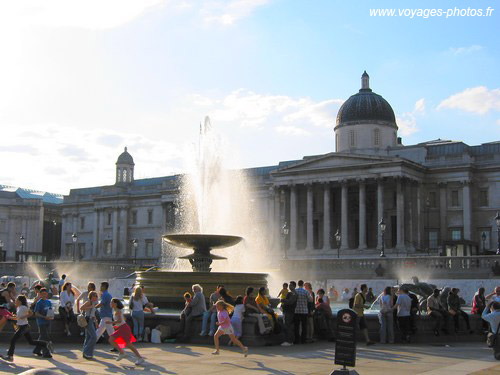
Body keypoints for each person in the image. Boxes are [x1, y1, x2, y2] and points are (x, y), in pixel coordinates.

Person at [1, 295, 50, 362]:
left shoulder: (23, 307)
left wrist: (14, 317)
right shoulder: (19, 308)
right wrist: (13, 316)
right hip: (23, 326)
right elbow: (18, 317)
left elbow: (31, 313)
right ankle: (45, 344)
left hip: (24, 327)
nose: (15, 301)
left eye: (17, 300)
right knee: (31, 342)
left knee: (13, 340)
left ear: (20, 301)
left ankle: (10, 356)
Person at [108, 298, 145, 365]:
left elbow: (120, 320)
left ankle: (138, 357)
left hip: (123, 328)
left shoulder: (118, 311)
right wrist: (117, 325)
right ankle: (123, 353)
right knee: (113, 340)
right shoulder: (116, 310)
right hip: (122, 328)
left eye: (112, 302)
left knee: (127, 344)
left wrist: (111, 322)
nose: (110, 303)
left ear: (115, 304)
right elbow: (123, 319)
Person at [33, 288, 54, 358]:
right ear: (40, 295)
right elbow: (36, 313)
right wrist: (44, 317)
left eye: (45, 294)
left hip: (48, 321)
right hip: (41, 322)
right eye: (42, 294)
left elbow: (50, 311)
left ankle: (37, 350)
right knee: (45, 337)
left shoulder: (49, 302)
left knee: (42, 337)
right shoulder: (39, 303)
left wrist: (51, 316)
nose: (44, 295)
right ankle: (46, 353)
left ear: (47, 294)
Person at [80, 291, 99, 359]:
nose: (95, 297)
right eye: (94, 296)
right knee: (94, 337)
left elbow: (93, 314)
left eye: (96, 296)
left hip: (91, 320)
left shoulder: (95, 303)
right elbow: (81, 308)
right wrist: (90, 307)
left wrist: (96, 322)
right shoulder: (89, 302)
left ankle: (87, 353)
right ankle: (86, 351)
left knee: (88, 337)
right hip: (87, 319)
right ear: (91, 297)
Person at [294, 280, 312, 345]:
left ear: (298, 284)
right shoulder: (306, 292)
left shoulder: (295, 291)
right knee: (304, 326)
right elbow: (310, 300)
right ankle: (303, 340)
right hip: (304, 311)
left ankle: (296, 340)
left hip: (296, 311)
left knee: (296, 326)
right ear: (302, 284)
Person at [280, 281, 297, 347]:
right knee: (288, 326)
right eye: (289, 285)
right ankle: (289, 340)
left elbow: (290, 302)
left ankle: (289, 341)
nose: (290, 287)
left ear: (294, 286)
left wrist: (282, 300)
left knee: (287, 326)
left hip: (289, 311)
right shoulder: (290, 293)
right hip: (288, 311)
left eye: (291, 285)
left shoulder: (294, 293)